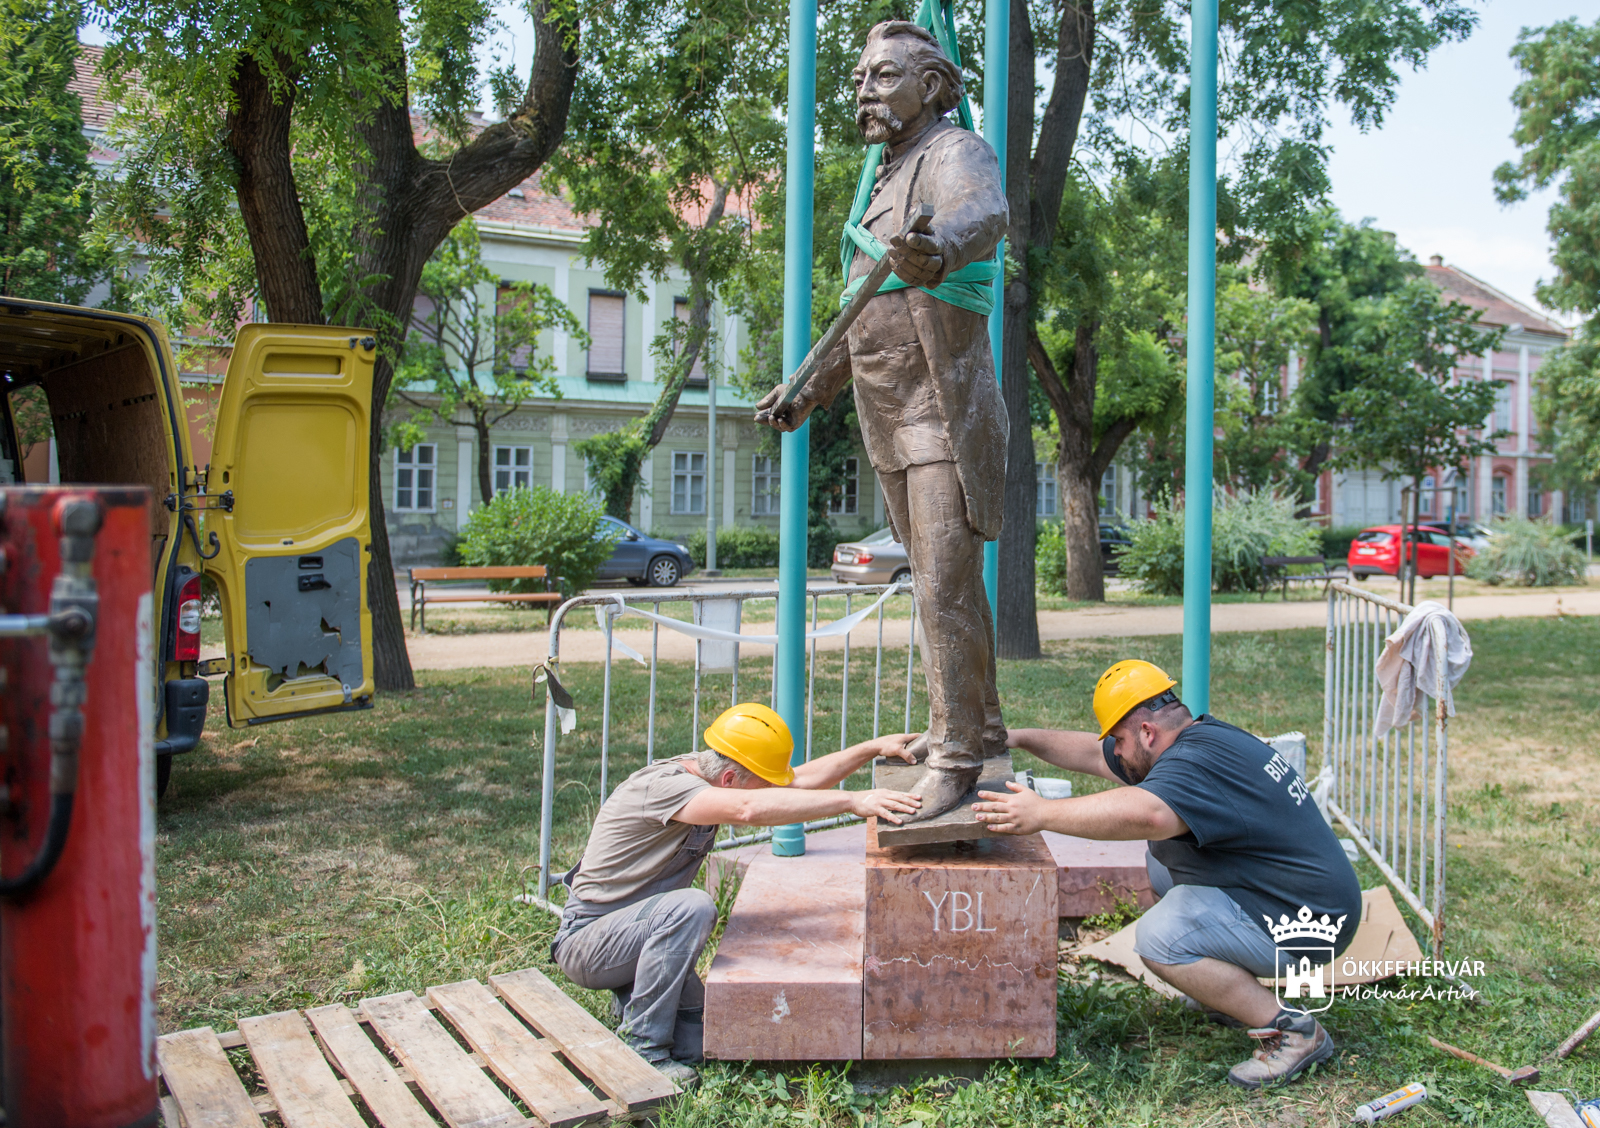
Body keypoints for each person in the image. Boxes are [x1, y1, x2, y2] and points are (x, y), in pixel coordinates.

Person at [755, 19, 1009, 822]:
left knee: (938, 585)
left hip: (940, 408)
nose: (865, 89)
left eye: (885, 75)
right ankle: (989, 732)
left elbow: (983, 213)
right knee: (948, 584)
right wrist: (809, 388)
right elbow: (861, 312)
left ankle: (959, 755)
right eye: (861, 77)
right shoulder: (882, 177)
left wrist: (942, 251)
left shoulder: (951, 153)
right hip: (888, 411)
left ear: (931, 87)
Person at [971, 660, 1362, 1090]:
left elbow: (1151, 815)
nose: (1115, 752)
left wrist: (1042, 813)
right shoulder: (1199, 740)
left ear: (1147, 733)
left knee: (1161, 938)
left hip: (1310, 926)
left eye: (1118, 740)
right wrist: (1019, 739)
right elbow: (1087, 752)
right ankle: (1224, 991)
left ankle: (1293, 1032)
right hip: (1301, 898)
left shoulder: (1192, 764)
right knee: (1164, 862)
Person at [550, 702, 923, 1086]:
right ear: (729, 779)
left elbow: (794, 784)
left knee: (698, 1042)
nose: (772, 793)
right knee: (691, 907)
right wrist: (852, 801)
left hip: (634, 932)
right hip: (588, 942)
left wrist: (871, 748)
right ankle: (642, 1050)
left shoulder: (718, 773)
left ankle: (632, 995)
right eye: (764, 786)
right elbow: (748, 807)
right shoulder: (666, 787)